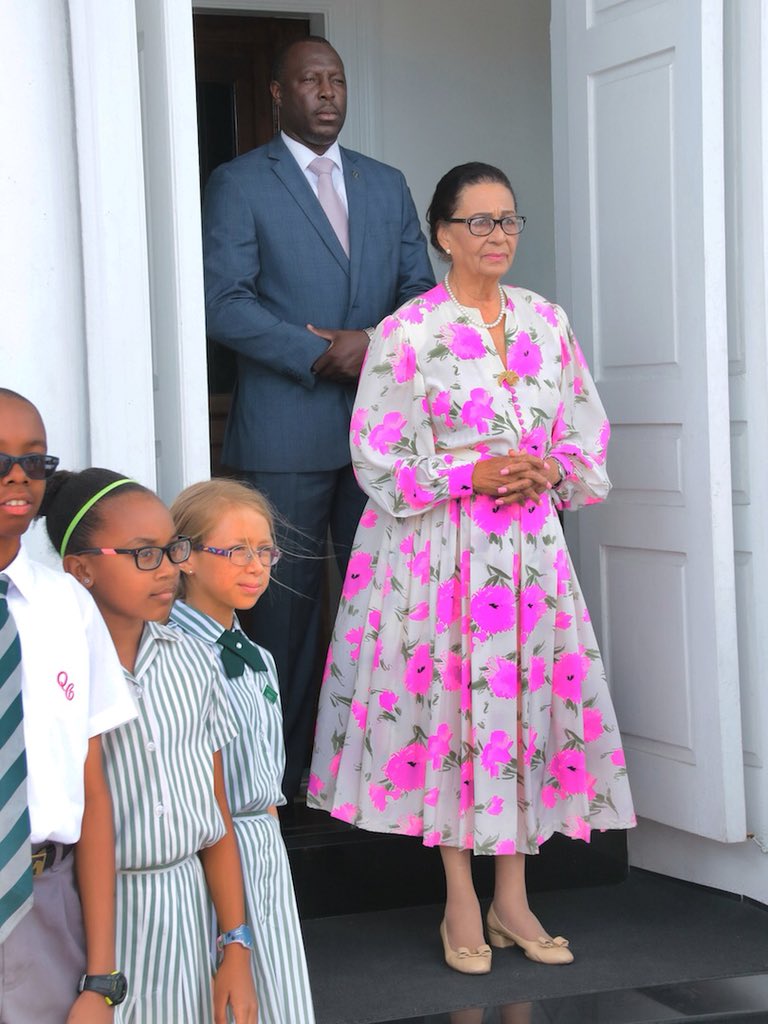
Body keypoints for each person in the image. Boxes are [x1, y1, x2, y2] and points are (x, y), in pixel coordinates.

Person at [308, 163, 635, 974]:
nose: (498, 237)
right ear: (444, 233)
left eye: (509, 221)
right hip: (437, 557)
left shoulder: (545, 321)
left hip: (528, 555)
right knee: (451, 714)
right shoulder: (407, 331)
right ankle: (461, 896)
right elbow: (375, 460)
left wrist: (549, 470)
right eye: (480, 222)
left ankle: (513, 897)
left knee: (522, 707)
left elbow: (585, 434)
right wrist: (471, 474)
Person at [202, 35, 435, 800]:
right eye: (310, 80)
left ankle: (369, 776)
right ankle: (275, 780)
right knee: (282, 619)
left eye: (336, 79)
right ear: (278, 94)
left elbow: (419, 295)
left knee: (385, 610)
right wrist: (316, 354)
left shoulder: (386, 182)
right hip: (283, 434)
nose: (327, 93)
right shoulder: (240, 183)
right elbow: (224, 302)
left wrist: (369, 344)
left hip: (381, 437)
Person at [41, 469, 258, 1023]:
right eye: (143, 555)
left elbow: (216, 812)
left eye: (172, 549)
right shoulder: (56, 673)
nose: (168, 569)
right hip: (98, 918)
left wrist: (234, 943)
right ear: (80, 568)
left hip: (189, 911)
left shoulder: (194, 659)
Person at [0, 389, 136, 1021]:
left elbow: (94, 788)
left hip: (44, 898)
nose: (19, 476)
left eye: (35, 461)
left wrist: (102, 978)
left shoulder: (67, 606)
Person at [169, 479, 315, 1024]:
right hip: (210, 862)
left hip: (265, 856)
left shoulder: (259, 658)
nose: (255, 566)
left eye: (264, 551)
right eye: (235, 551)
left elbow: (266, 785)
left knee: (280, 997)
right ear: (184, 556)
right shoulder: (172, 657)